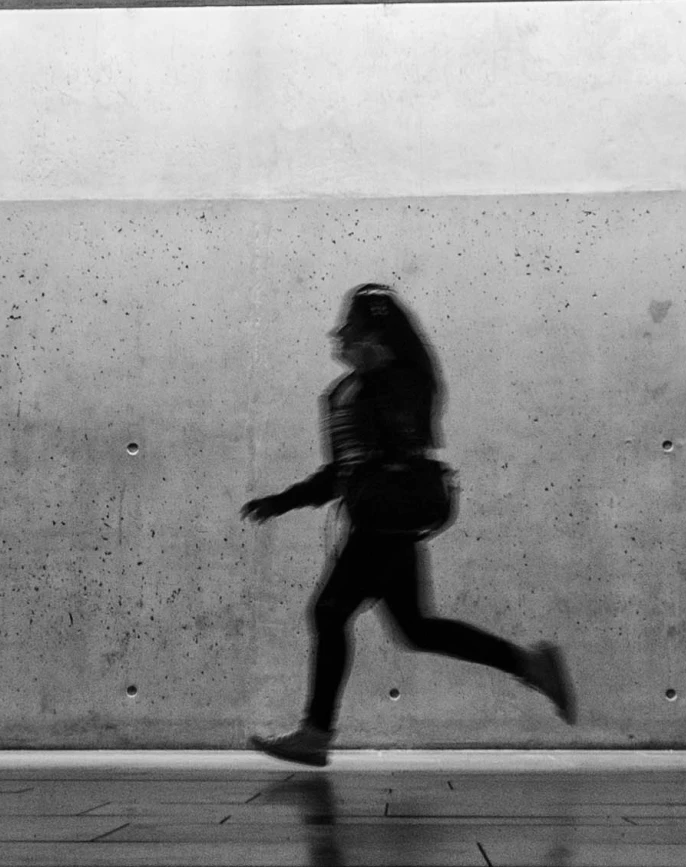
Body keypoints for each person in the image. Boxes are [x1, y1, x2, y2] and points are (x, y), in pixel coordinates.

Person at [242, 284, 573, 767]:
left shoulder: (402, 381)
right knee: (416, 629)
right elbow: (345, 469)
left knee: (331, 613)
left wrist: (385, 369)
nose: (343, 340)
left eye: (355, 330)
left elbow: (404, 432)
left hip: (385, 520)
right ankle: (529, 663)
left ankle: (316, 733)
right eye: (346, 331)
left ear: (378, 335)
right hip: (378, 520)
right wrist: (285, 501)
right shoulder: (342, 393)